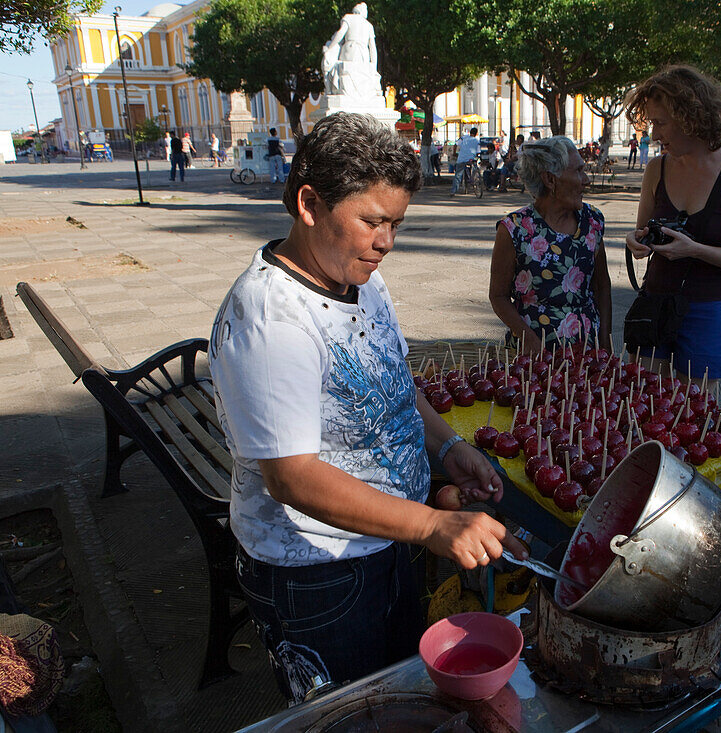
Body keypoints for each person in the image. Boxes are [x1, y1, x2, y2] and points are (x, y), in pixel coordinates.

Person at [209, 112, 528, 704]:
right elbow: (292, 476)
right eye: (372, 222)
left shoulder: (361, 279)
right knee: (349, 716)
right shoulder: (271, 318)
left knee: (400, 703)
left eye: (396, 224)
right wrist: (435, 524)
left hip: (386, 542)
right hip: (318, 574)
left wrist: (449, 448)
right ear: (309, 204)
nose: (386, 242)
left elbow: (395, 383)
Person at [624, 65, 721, 382]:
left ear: (691, 117)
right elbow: (643, 230)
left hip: (708, 309)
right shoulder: (656, 169)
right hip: (655, 302)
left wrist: (695, 250)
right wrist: (636, 241)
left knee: (694, 412)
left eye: (660, 123)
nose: (654, 135)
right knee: (643, 404)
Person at [488, 135, 612, 353]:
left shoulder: (593, 221)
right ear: (550, 180)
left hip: (585, 349)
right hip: (532, 351)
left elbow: (601, 286)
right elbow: (498, 295)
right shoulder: (514, 229)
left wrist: (605, 346)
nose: (586, 180)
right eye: (578, 171)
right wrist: (527, 337)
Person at [321, 3, 381, 99]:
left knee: (337, 67)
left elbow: (341, 33)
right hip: (364, 55)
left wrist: (330, 48)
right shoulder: (369, 25)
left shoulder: (348, 18)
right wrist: (373, 67)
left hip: (349, 50)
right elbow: (372, 48)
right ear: (361, 11)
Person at [450, 126, 480, 194]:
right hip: (471, 159)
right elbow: (478, 152)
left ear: (470, 133)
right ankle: (473, 179)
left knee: (458, 175)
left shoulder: (464, 138)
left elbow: (455, 144)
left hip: (461, 159)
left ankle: (453, 191)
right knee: (474, 168)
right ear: (476, 134)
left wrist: (454, 153)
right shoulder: (477, 141)